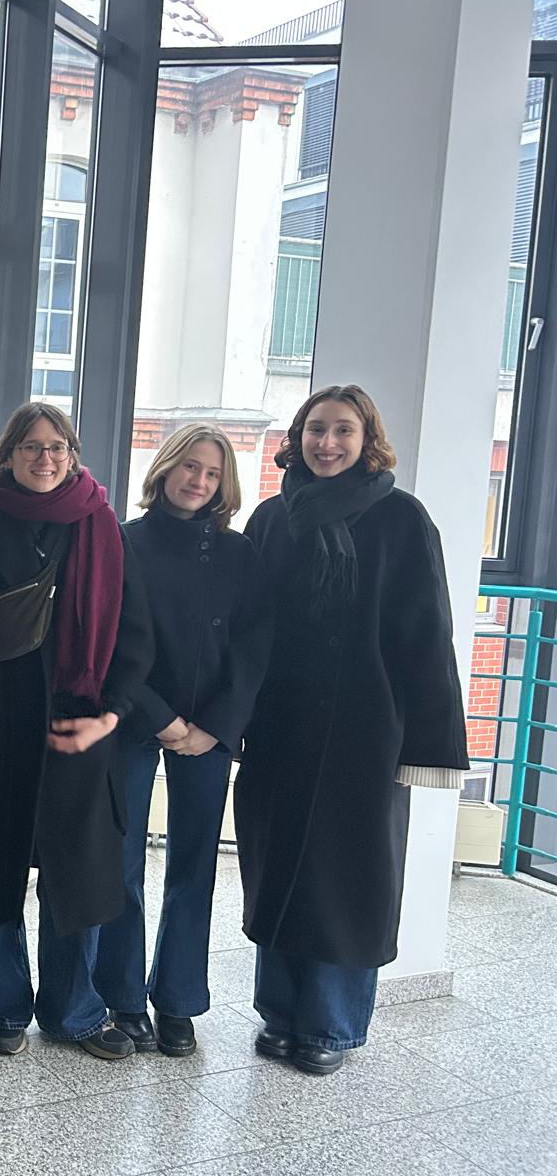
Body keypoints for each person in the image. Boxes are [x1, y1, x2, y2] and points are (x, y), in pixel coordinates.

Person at [237, 385, 467, 1076]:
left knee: (348, 881)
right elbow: (247, 628)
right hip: (280, 731)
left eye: (343, 430)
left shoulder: (401, 519)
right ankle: (280, 1014)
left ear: (368, 439)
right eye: (316, 429)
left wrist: (427, 745)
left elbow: (427, 634)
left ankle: (332, 1026)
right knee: (277, 871)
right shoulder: (272, 518)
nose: (327, 443)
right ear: (297, 437)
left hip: (365, 736)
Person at [0, 402, 153, 1061]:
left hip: (77, 736)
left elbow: (135, 639)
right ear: (8, 456)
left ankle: (72, 1013)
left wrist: (110, 716)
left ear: (73, 455)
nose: (44, 458)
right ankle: (4, 1009)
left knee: (76, 882)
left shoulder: (103, 531)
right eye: (30, 446)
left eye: (57, 447)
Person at [92, 423, 271, 1058]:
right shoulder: (123, 541)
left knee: (194, 867)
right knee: (122, 862)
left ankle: (178, 1000)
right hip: (135, 717)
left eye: (213, 473)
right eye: (190, 466)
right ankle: (122, 998)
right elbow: (107, 640)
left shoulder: (241, 554)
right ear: (166, 467)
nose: (199, 480)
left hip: (210, 728)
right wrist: (161, 719)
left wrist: (215, 727)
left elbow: (255, 647)